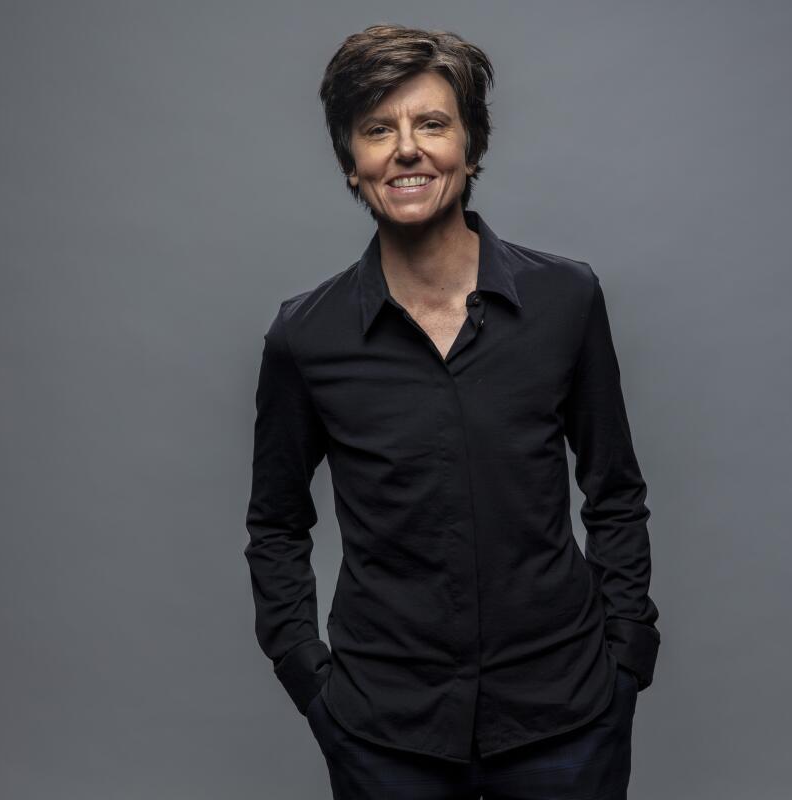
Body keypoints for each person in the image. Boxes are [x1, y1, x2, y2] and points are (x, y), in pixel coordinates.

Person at [244, 23, 661, 799]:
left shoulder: (565, 301)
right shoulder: (305, 336)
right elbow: (275, 524)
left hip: (566, 719)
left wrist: (627, 655)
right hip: (383, 734)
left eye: (431, 123)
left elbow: (615, 492)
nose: (407, 149)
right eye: (378, 129)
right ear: (351, 163)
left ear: (471, 148)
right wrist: (310, 681)